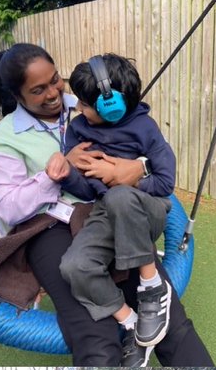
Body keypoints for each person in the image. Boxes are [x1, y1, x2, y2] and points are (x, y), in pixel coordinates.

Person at [0, 42, 214, 368]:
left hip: (112, 210)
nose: (53, 94)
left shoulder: (89, 102)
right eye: (38, 90)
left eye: (55, 80)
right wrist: (54, 174)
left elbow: (144, 144)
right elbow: (7, 208)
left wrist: (138, 169)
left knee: (172, 324)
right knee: (94, 329)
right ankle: (127, 327)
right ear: (17, 96)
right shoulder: (6, 138)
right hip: (48, 227)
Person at [54, 54, 178, 354]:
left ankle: (152, 287)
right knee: (74, 266)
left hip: (146, 209)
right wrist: (68, 174)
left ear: (111, 104)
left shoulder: (144, 128)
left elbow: (165, 183)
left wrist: (128, 177)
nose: (78, 108)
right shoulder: (79, 130)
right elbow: (87, 191)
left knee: (120, 195)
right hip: (105, 211)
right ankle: (131, 322)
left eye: (85, 104)